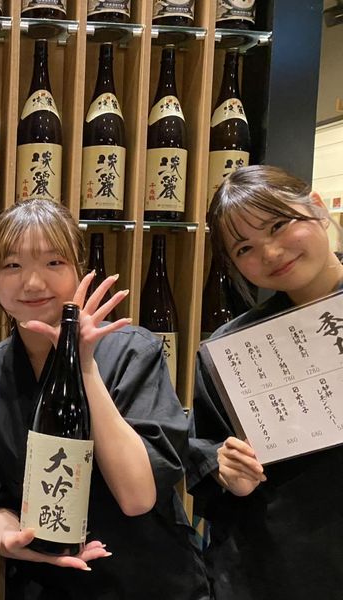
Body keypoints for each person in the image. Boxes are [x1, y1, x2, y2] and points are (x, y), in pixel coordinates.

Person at [0, 199, 209, 599]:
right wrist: (4, 536)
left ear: (80, 270)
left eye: (53, 262)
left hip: (147, 582)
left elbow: (137, 497)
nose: (32, 283)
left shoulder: (132, 351)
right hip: (47, 585)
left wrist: (84, 367)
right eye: (12, 265)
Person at [188, 164, 343, 599]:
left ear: (316, 207)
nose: (271, 253)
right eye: (245, 248)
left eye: (278, 225)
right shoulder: (233, 350)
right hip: (276, 567)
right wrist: (225, 470)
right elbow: (207, 451)